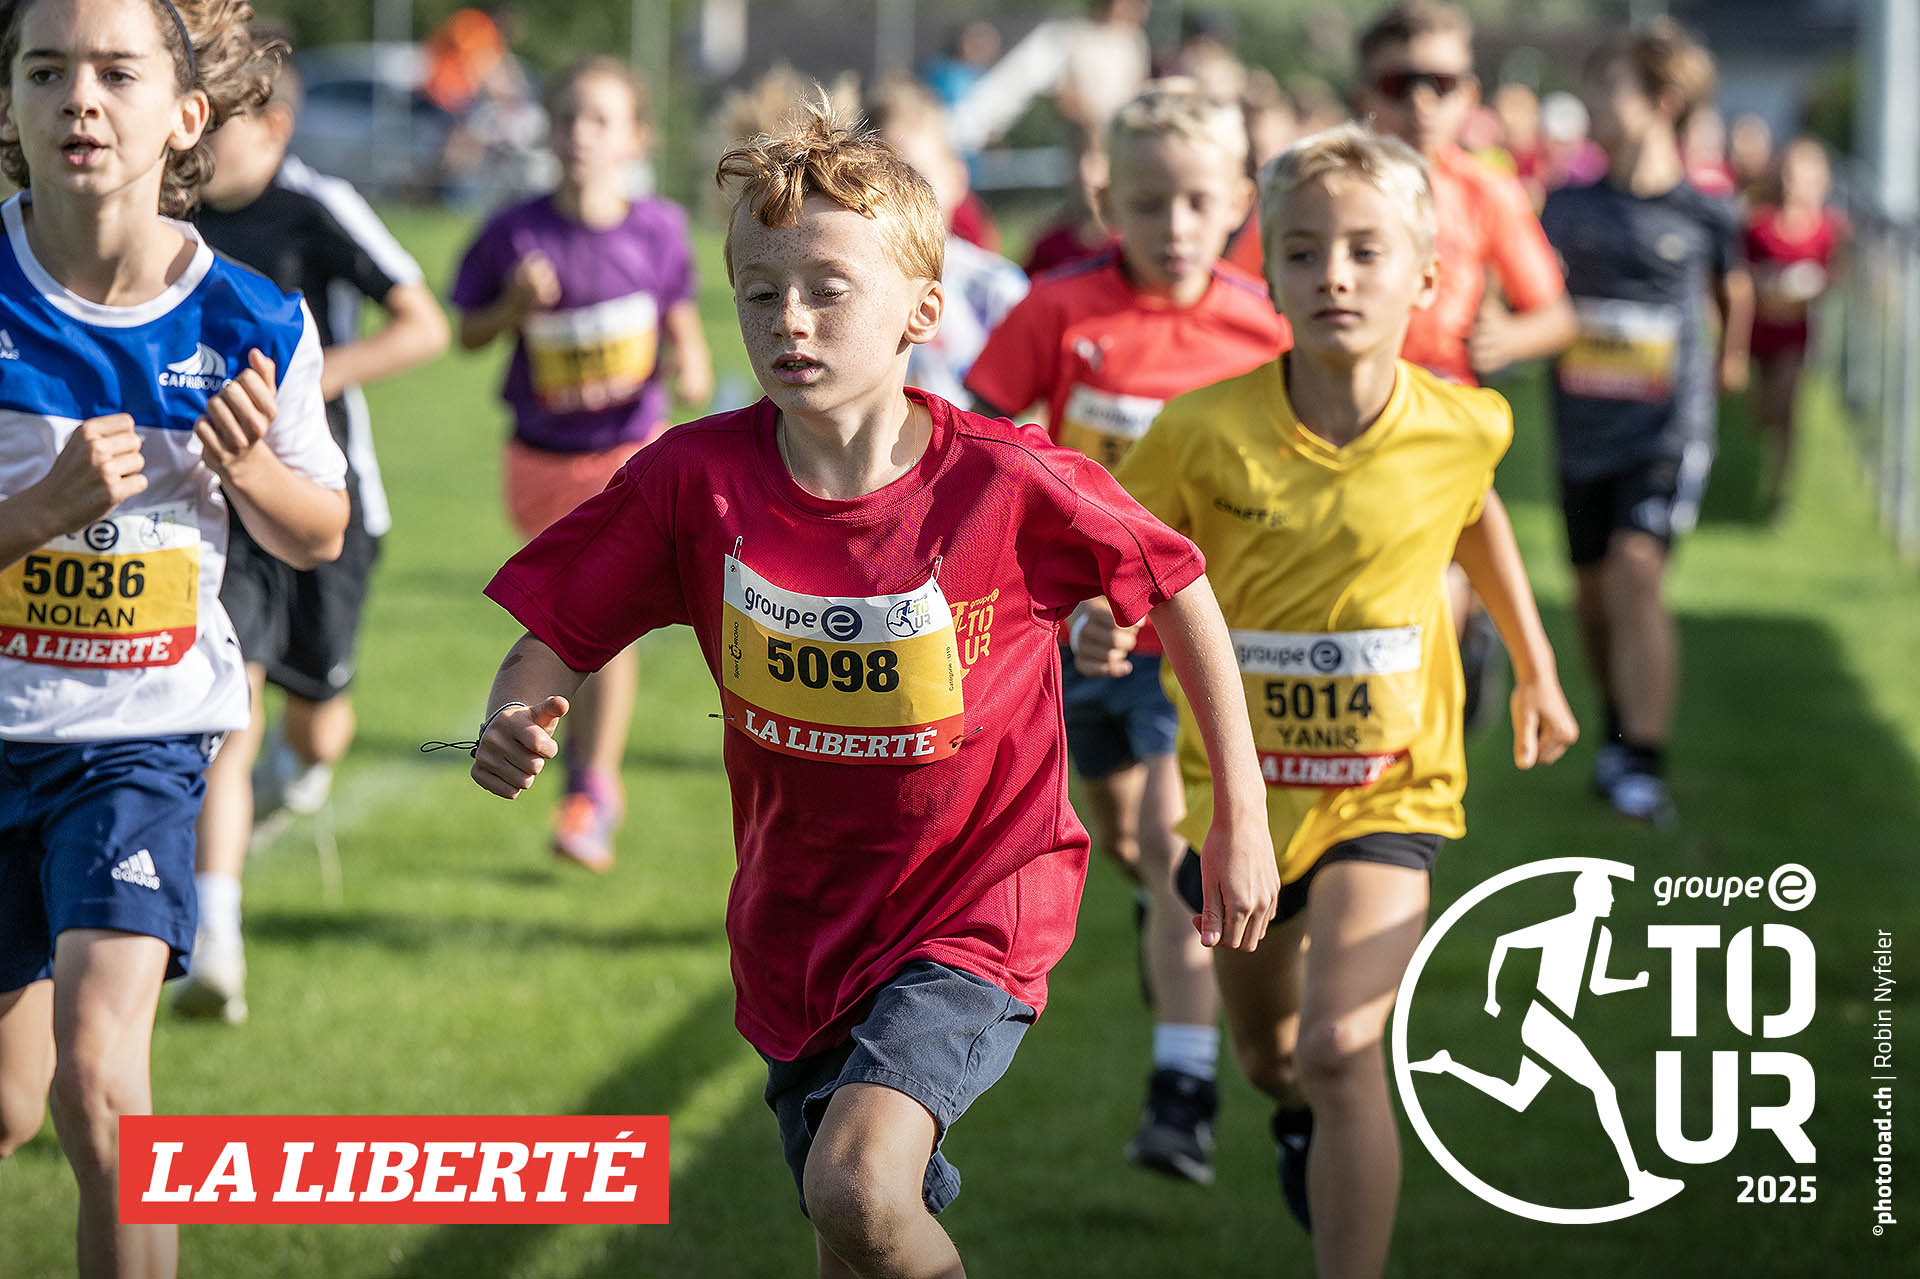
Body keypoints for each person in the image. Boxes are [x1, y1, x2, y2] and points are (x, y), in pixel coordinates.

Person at [469, 97, 1279, 1279]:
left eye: (827, 289)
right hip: (797, 924)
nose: (788, 319)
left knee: (857, 1181)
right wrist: (514, 710)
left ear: (922, 311)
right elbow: (555, 627)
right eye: (759, 292)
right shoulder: (692, 481)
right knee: (847, 1230)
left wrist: (1239, 814)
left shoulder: (1007, 480)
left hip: (975, 906)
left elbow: (1181, 582)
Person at [1076, 121, 1577, 1278]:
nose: (1334, 276)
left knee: (1347, 1045)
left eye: (1364, 251)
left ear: (1428, 278)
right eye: (1302, 253)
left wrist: (1535, 664)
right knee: (1275, 1058)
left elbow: (1472, 511)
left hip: (1389, 790)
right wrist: (1104, 620)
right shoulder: (1201, 433)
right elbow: (1122, 557)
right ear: (1269, 277)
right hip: (1240, 805)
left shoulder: (1464, 422)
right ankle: (1296, 1117)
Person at [0, 1, 347, 1274]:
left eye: (115, 72)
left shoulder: (252, 320)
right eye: (47, 71)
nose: (79, 98)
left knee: (102, 1083)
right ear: (10, 105)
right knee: (7, 1107)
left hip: (137, 747)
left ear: (185, 116)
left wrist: (250, 472)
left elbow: (319, 529)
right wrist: (38, 514)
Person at [967, 81, 1290, 1188]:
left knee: (1167, 837)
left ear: (1240, 201)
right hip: (1078, 637)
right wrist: (1051, 596)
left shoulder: (1265, 327)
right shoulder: (1060, 312)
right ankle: (1170, 932)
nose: (1176, 225)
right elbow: (986, 447)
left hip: (1196, 643)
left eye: (1200, 201)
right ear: (1110, 204)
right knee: (1129, 840)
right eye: (1150, 203)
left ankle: (1181, 1093)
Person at [174, 46, 450, 1022]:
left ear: (276, 128)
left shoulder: (317, 206)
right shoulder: (171, 214)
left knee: (317, 724)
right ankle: (215, 939)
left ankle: (291, 784)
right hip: (220, 505)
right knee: (231, 709)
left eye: (220, 127)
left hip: (329, 501)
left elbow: (424, 324)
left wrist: (309, 380)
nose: (198, 146)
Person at [452, 55, 712, 872]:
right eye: (566, 117)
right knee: (574, 624)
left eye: (600, 119)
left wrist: (692, 364)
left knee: (606, 619)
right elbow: (467, 333)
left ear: (636, 137)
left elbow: (680, 321)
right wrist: (514, 306)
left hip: (629, 458)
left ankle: (592, 788)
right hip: (541, 463)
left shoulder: (658, 229)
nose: (579, 134)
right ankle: (581, 777)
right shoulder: (513, 233)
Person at [1541, 20, 1752, 826]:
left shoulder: (1706, 211)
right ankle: (1618, 728)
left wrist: (1731, 357)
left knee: (1637, 569)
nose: (1592, 102)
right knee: (1594, 599)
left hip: (1666, 430)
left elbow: (1735, 289)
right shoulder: (1564, 205)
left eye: (1609, 87)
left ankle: (1644, 763)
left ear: (1662, 101)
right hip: (1581, 429)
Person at [1351, 1, 1578, 730]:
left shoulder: (1487, 189)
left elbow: (1557, 314)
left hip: (1442, 416)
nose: (1421, 102)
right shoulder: (1325, 185)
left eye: (1441, 84)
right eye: (1400, 84)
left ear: (1469, 95)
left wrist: (1509, 336)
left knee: (1437, 592)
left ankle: (1430, 717)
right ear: (1366, 92)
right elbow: (1242, 290)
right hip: (1334, 416)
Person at [869, 78, 1027, 406]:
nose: (903, 197)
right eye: (885, 181)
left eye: (918, 178)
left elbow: (1031, 408)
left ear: (957, 178)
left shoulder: (997, 289)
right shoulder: (844, 289)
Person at [1744, 135, 1846, 519]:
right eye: (1790, 174)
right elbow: (1741, 274)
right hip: (1759, 331)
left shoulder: (1828, 230)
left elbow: (1837, 275)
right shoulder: (1760, 226)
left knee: (1786, 411)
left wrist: (1814, 283)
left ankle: (1779, 492)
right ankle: (1755, 471)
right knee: (1762, 414)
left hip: (1795, 334)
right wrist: (1766, 283)